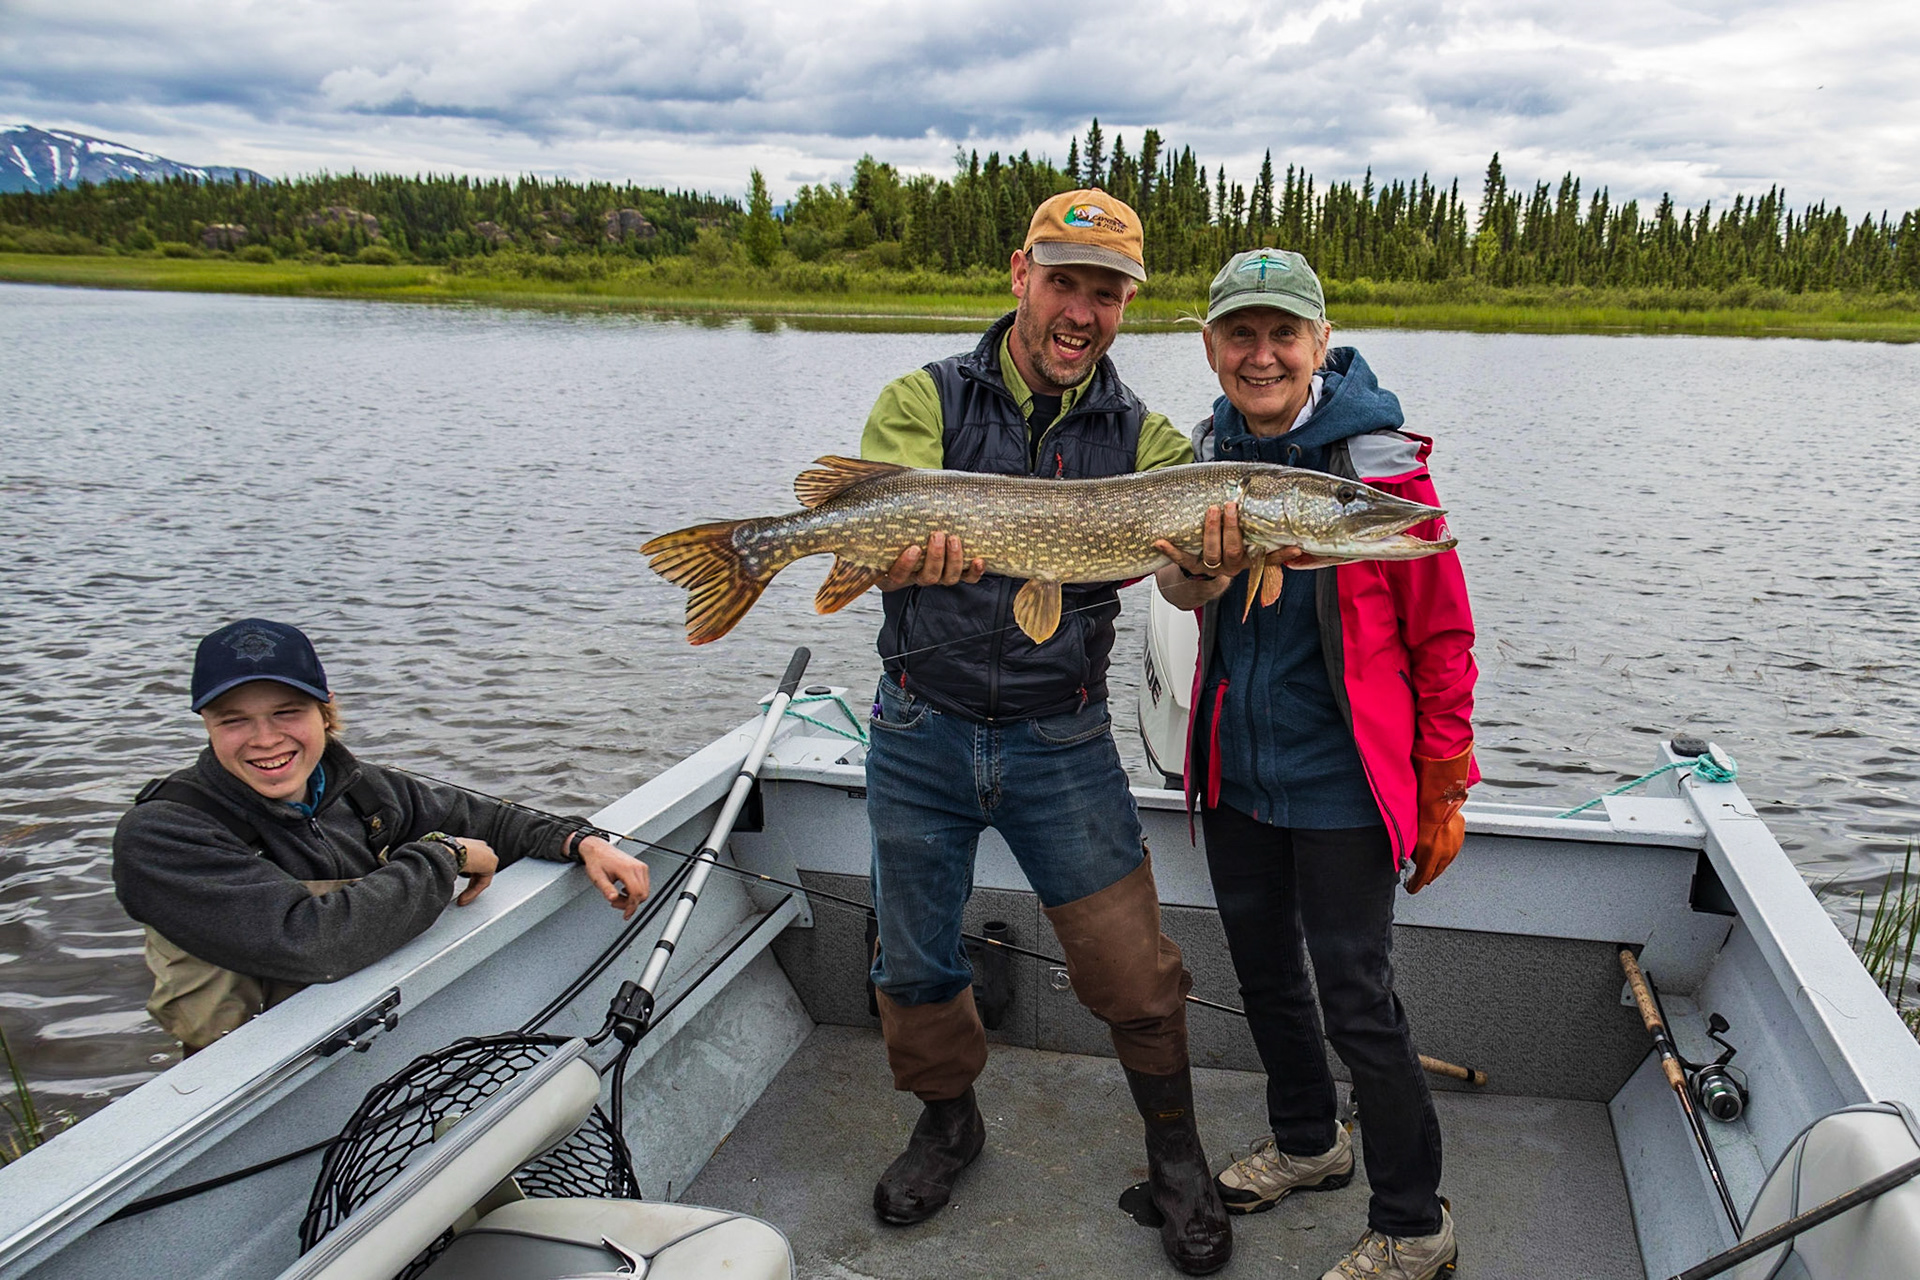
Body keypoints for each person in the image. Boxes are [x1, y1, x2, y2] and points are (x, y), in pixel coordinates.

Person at [858, 189, 1232, 1274]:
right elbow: (872, 531)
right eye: (1065, 281)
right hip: (919, 727)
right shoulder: (920, 398)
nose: (1082, 311)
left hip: (1060, 741)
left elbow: (1178, 575)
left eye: (1106, 292)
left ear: (1124, 306)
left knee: (1132, 969)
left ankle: (1175, 1156)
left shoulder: (1147, 438)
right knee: (913, 954)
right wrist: (897, 552)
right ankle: (948, 1122)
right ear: (1020, 272)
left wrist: (1207, 558)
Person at [1153, 249, 1477, 1280]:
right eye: (1239, 335)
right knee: (1263, 974)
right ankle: (1307, 1139)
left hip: (1342, 782)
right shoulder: (1204, 453)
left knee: (1355, 995)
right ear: (1210, 347)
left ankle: (1416, 1221)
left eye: (1282, 335)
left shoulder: (1381, 473)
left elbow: (1445, 635)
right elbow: (1178, 593)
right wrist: (1193, 570)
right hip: (1239, 770)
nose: (1261, 355)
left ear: (1319, 344)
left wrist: (1446, 779)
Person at [113, 618, 653, 1055]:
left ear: (324, 712)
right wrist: (445, 854)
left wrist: (581, 842)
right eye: (235, 720)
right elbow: (312, 943)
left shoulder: (359, 788)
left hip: (369, 1034)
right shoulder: (164, 834)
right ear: (205, 723)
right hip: (245, 1078)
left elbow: (490, 820)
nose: (265, 739)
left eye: (287, 712)